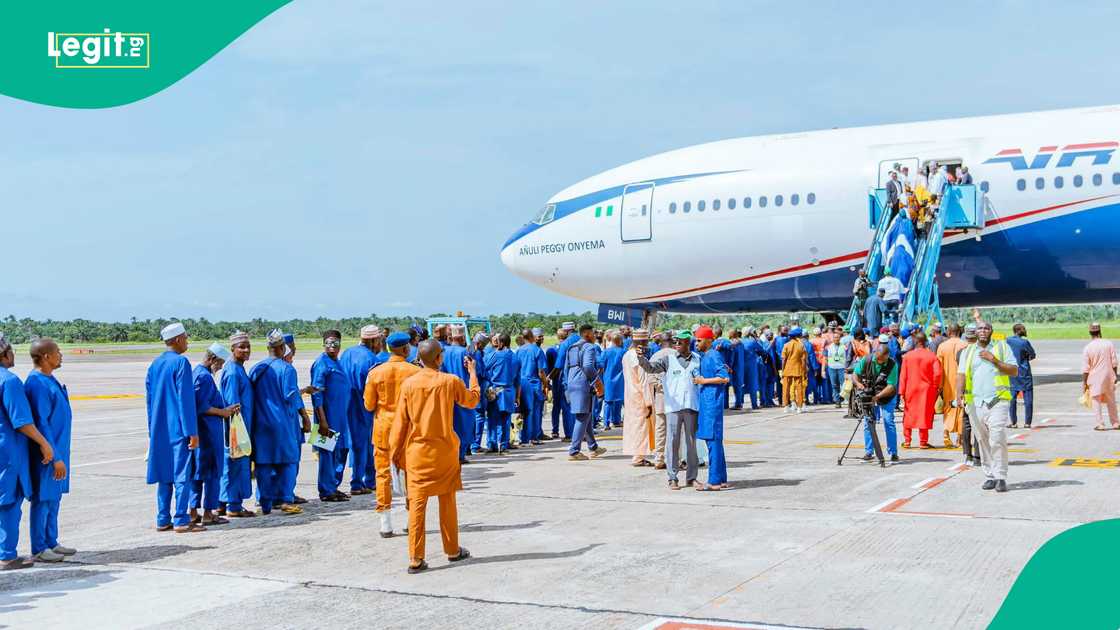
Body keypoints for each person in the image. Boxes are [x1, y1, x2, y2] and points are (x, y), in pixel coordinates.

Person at [390, 339, 480, 573]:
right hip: (445, 452)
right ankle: (451, 549)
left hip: (418, 453)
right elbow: (472, 400)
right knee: (447, 501)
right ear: (439, 358)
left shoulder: (409, 385)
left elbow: (400, 425)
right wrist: (473, 374)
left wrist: (395, 455)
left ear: (419, 359)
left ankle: (415, 558)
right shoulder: (450, 381)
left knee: (417, 506)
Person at [0, 334, 57, 569]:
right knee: (9, 502)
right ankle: (7, 555)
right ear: (3, 354)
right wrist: (44, 443)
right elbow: (22, 421)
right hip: (9, 452)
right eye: (11, 350)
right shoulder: (9, 381)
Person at [144, 323, 205, 532]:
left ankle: (163, 518)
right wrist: (192, 432)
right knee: (182, 475)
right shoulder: (181, 363)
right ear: (178, 339)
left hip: (159, 430)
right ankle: (181, 519)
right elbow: (185, 401)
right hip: (179, 429)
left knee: (164, 475)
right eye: (186, 338)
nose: (187, 342)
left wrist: (152, 430)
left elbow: (149, 401)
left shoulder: (154, 365)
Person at [364, 331, 421, 537]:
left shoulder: (376, 373)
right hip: (407, 430)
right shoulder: (415, 372)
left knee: (382, 475)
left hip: (383, 430)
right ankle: (410, 518)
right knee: (410, 474)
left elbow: (369, 405)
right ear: (406, 349)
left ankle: (385, 522)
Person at [24, 338, 75, 563]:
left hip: (60, 450)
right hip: (48, 455)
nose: (60, 355)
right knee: (43, 499)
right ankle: (39, 547)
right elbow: (42, 423)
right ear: (46, 356)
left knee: (54, 498)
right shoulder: (36, 383)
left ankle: (51, 541)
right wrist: (55, 456)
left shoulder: (49, 379)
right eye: (57, 352)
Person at [955, 321, 1017, 492]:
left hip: (998, 401)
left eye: (986, 328)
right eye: (980, 328)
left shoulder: (1002, 348)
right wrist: (958, 395)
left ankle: (1001, 476)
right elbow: (961, 374)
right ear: (975, 332)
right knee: (982, 440)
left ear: (991, 331)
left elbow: (1014, 370)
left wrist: (994, 360)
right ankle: (990, 475)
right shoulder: (967, 352)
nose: (982, 331)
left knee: (997, 438)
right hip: (975, 403)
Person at [249, 330, 305, 515]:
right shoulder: (286, 369)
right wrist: (304, 416)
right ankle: (285, 499)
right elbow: (291, 396)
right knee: (288, 460)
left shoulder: (256, 368)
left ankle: (265, 502)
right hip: (283, 423)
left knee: (264, 463)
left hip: (261, 424)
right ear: (282, 348)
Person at [638, 331, 701, 489]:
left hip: (691, 406)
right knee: (672, 442)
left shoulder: (697, 359)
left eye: (680, 341)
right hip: (673, 407)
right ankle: (672, 477)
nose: (677, 344)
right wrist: (641, 358)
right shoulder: (668, 359)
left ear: (688, 342)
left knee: (691, 443)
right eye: (675, 341)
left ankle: (692, 477)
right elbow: (651, 368)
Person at [190, 343, 239, 525]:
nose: (219, 367)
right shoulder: (203, 377)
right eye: (219, 363)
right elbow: (201, 406)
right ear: (211, 359)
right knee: (211, 474)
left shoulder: (198, 374)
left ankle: (193, 510)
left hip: (203, 432)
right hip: (208, 433)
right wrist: (223, 412)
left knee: (197, 473)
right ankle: (209, 513)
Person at [338, 325, 382, 495]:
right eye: (378, 340)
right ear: (373, 341)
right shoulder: (372, 360)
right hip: (364, 405)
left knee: (349, 444)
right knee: (363, 445)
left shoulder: (347, 353)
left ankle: (363, 480)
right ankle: (359, 482)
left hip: (346, 405)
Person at [311, 330, 352, 502]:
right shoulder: (322, 363)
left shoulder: (338, 362)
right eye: (329, 343)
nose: (332, 347)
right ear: (324, 344)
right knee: (327, 453)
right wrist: (322, 420)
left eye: (335, 343)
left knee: (341, 450)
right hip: (326, 418)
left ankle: (334, 485)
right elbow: (316, 393)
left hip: (341, 417)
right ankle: (326, 490)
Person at [219, 331, 256, 517]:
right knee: (236, 466)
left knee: (233, 465)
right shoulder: (233, 371)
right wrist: (237, 432)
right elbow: (233, 405)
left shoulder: (239, 368)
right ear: (232, 349)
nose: (246, 350)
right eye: (241, 347)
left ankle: (223, 503)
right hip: (236, 427)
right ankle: (234, 505)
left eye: (248, 346)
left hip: (242, 425)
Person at [693, 325, 731, 490]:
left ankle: (714, 481)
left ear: (709, 340)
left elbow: (724, 377)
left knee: (712, 441)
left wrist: (703, 381)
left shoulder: (714, 355)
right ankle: (721, 479)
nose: (696, 343)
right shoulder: (706, 355)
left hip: (712, 404)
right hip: (708, 402)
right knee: (715, 442)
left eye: (699, 340)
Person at [851, 338, 900, 463]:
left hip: (887, 395)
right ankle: (869, 451)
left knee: (888, 421)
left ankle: (893, 452)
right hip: (870, 393)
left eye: (881, 360)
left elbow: (891, 386)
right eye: (877, 358)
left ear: (887, 356)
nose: (878, 361)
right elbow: (855, 374)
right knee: (868, 422)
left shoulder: (892, 364)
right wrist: (858, 384)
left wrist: (877, 397)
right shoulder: (867, 359)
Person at [565, 324, 607, 460]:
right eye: (593, 334)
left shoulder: (571, 347)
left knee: (586, 415)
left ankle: (593, 447)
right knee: (582, 417)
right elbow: (588, 366)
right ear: (587, 334)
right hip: (583, 384)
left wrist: (567, 385)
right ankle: (574, 451)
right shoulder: (590, 347)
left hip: (572, 383)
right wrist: (598, 382)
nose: (595, 336)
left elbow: (566, 368)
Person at [899, 331, 942, 449]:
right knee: (924, 413)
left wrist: (901, 392)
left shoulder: (907, 356)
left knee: (908, 413)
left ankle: (907, 440)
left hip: (910, 388)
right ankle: (923, 441)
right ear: (925, 342)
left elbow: (903, 375)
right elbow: (937, 374)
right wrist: (935, 387)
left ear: (916, 342)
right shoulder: (932, 356)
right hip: (926, 390)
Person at [441, 327, 478, 461]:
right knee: (465, 425)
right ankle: (460, 454)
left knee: (451, 424)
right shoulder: (465, 352)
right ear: (463, 338)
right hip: (463, 392)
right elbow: (473, 370)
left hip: (446, 393)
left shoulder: (443, 352)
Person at [621, 329, 655, 467]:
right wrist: (649, 402)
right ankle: (638, 457)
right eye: (646, 341)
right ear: (641, 341)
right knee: (641, 427)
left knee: (634, 426)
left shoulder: (627, 355)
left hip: (630, 395)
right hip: (640, 396)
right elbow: (644, 381)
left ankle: (637, 455)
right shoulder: (638, 358)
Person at [483, 333, 519, 453]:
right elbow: (517, 379)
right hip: (509, 390)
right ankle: (503, 445)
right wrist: (517, 396)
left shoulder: (495, 355)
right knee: (506, 419)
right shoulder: (515, 357)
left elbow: (484, 368)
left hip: (496, 390)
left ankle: (492, 444)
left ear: (501, 343)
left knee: (492, 419)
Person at [1082, 323, 1119, 431]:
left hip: (1095, 377)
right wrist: (1115, 375)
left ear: (1090, 333)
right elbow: (1114, 362)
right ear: (1100, 331)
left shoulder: (1088, 348)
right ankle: (1116, 423)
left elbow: (1085, 368)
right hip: (1108, 376)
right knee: (1111, 400)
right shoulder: (1108, 344)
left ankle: (1100, 424)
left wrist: (1084, 382)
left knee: (1096, 400)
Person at [936, 324, 968, 449]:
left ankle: (946, 435)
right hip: (963, 382)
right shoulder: (965, 345)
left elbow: (939, 368)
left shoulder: (942, 346)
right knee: (962, 409)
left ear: (949, 332)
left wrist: (939, 386)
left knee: (947, 408)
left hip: (947, 383)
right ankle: (960, 438)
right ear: (959, 331)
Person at [514, 328, 548, 446]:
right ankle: (534, 437)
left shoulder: (518, 351)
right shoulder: (537, 350)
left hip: (521, 384)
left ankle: (523, 437)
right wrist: (545, 384)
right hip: (533, 384)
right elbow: (541, 372)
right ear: (532, 337)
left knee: (524, 411)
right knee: (535, 412)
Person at [1006, 324, 1037, 429]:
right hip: (1024, 373)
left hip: (1012, 372)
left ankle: (1013, 422)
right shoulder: (1024, 342)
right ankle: (1027, 423)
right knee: (1028, 399)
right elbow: (1033, 355)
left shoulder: (1007, 340)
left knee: (1012, 399)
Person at [598, 332, 625, 430]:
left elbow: (600, 365)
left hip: (608, 379)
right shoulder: (623, 352)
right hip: (621, 380)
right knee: (619, 400)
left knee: (608, 402)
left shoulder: (606, 352)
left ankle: (606, 423)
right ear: (620, 341)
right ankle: (616, 421)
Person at [468, 332, 490, 451]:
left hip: (471, 387)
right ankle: (475, 445)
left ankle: (470, 444)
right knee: (480, 416)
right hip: (478, 388)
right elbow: (481, 372)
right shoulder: (476, 354)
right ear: (479, 343)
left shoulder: (470, 350)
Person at [781, 327, 808, 413]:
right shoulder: (801, 346)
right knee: (799, 388)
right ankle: (799, 407)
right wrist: (804, 370)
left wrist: (783, 369)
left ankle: (786, 406)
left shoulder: (786, 345)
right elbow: (804, 360)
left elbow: (783, 360)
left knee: (786, 388)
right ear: (798, 336)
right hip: (798, 369)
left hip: (787, 369)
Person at [825, 332, 847, 410]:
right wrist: (824, 368)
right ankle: (837, 401)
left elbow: (847, 357)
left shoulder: (844, 347)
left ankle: (843, 398)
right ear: (832, 338)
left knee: (843, 384)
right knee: (834, 385)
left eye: (837, 337)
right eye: (834, 337)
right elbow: (826, 358)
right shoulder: (829, 347)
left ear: (840, 338)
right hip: (832, 367)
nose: (836, 339)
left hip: (841, 367)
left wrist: (846, 368)